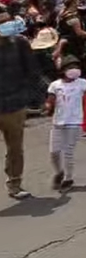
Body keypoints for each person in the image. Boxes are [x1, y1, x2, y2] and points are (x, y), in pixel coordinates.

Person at [46, 55, 86, 191]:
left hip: (74, 122)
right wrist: (48, 107)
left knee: (68, 152)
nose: (75, 70)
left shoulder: (82, 83)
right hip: (58, 122)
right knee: (54, 152)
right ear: (63, 70)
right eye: (71, 67)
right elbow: (50, 101)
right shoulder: (55, 85)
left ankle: (68, 178)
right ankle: (59, 172)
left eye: (77, 67)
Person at [0, 10, 34, 199]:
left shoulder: (19, 42)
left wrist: (24, 94)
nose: (6, 25)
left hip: (14, 104)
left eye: (7, 21)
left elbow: (30, 69)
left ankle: (15, 183)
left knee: (15, 147)